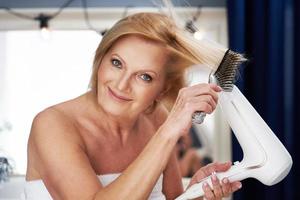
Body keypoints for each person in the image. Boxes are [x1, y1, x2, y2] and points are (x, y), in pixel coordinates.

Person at [23, 12, 242, 200]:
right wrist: (168, 132)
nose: (121, 85)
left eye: (144, 77)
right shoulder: (52, 125)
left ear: (163, 89)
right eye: (117, 63)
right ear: (101, 58)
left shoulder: (157, 117)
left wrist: (197, 192)